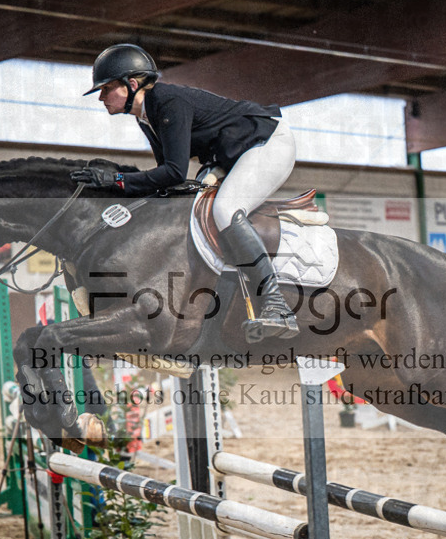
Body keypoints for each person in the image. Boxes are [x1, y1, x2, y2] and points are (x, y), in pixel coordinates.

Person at [72, 43, 298, 342]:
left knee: (225, 211)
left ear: (132, 84)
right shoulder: (146, 117)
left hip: (266, 143)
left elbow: (174, 172)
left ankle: (276, 303)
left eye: (106, 88)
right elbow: (167, 177)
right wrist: (115, 186)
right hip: (230, 155)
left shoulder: (167, 101)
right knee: (189, 210)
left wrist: (116, 179)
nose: (101, 97)